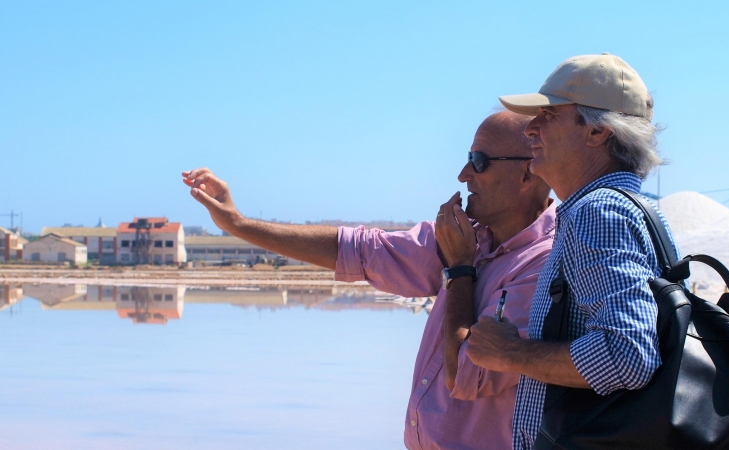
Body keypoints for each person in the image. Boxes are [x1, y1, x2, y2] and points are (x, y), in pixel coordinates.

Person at [181, 111, 557, 450]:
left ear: (528, 171)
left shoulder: (544, 262)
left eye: (478, 161)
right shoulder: (472, 236)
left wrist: (460, 269)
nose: (463, 175)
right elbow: (361, 250)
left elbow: (466, 375)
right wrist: (239, 224)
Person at [465, 53, 676, 449]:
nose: (530, 129)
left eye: (549, 115)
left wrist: (511, 352)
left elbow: (627, 355)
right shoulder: (637, 210)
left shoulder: (598, 214)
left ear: (598, 133)